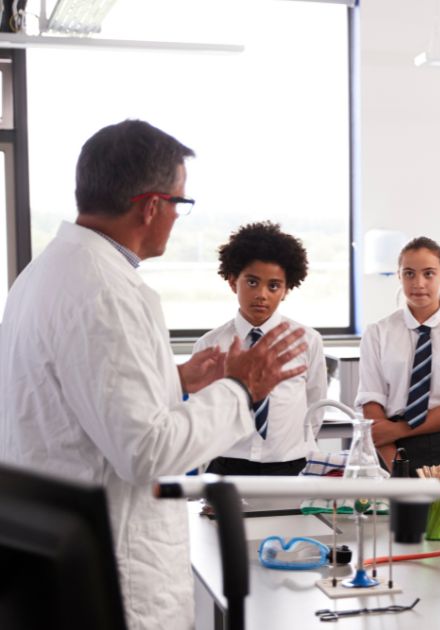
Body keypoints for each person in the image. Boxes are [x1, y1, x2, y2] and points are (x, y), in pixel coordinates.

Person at [0, 119, 306, 630]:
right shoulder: (108, 291)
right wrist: (239, 389)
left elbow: (81, 397)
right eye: (180, 205)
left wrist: (176, 380)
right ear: (151, 206)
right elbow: (145, 450)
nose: (176, 218)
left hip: (56, 558)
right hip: (118, 578)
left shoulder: (45, 273)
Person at [357, 236, 440, 530]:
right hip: (391, 446)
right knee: (400, 541)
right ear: (399, 276)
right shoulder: (378, 332)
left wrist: (400, 428)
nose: (419, 283)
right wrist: (394, 460)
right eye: (409, 274)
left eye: (429, 274)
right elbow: (371, 398)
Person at [194, 221, 328, 476]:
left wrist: (296, 447)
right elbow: (204, 414)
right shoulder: (209, 345)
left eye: (274, 286)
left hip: (291, 466)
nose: (262, 295)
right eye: (252, 282)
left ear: (286, 289)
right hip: (228, 465)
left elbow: (315, 405)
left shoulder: (308, 340)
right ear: (233, 282)